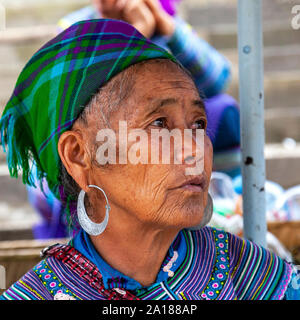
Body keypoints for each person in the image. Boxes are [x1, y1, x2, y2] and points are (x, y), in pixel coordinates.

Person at [0, 19, 298, 300]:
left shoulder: (252, 276)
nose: (194, 150)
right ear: (78, 155)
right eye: (159, 124)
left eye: (198, 124)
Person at [27, 0, 240, 240]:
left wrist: (165, 26)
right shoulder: (75, 27)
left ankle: (217, 205)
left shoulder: (166, 24)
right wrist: (137, 34)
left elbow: (217, 80)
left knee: (223, 110)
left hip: (157, 137)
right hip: (103, 135)